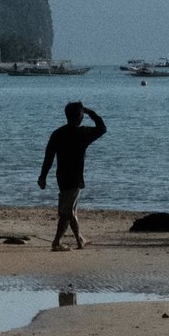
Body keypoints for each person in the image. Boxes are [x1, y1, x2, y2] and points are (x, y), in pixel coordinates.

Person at [37, 101, 108, 251]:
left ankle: (79, 239)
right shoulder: (82, 133)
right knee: (67, 213)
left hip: (61, 177)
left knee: (71, 210)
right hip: (75, 178)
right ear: (80, 117)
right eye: (82, 114)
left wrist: (42, 176)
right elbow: (102, 129)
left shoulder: (58, 133)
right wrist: (92, 113)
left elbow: (48, 157)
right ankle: (56, 242)